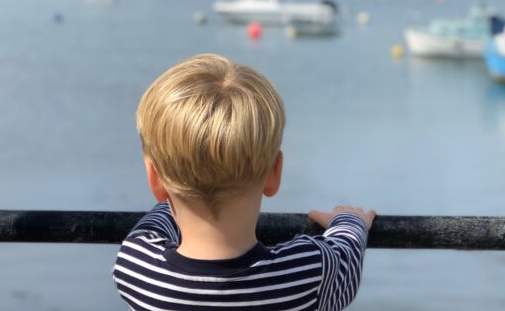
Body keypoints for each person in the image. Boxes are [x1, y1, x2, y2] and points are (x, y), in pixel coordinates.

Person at [113, 54, 375, 310]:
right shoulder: (307, 274)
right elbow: (346, 255)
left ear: (154, 179)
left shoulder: (136, 270)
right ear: (275, 172)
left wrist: (174, 194)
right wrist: (349, 221)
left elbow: (153, 226)